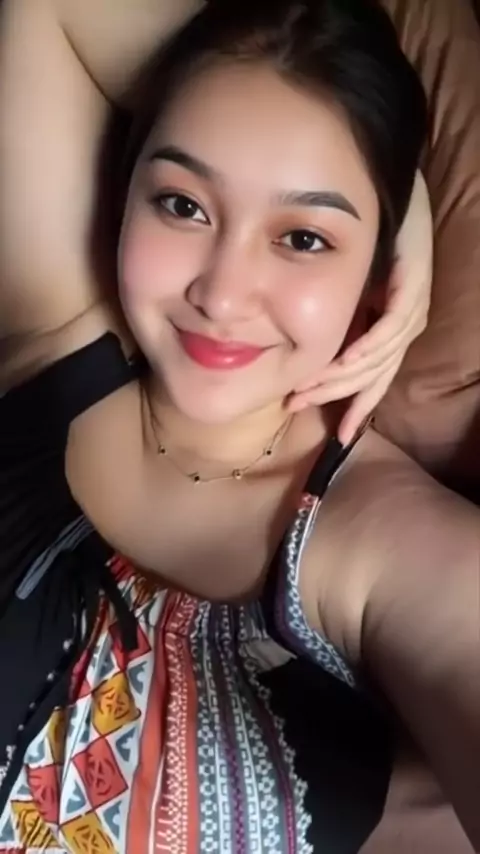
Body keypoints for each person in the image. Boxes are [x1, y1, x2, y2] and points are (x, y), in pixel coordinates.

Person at [0, 1, 477, 852]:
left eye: (303, 239)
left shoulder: (378, 544)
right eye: (183, 205)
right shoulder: (52, 342)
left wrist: (378, 197)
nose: (221, 296)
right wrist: (399, 207)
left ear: (375, 279)